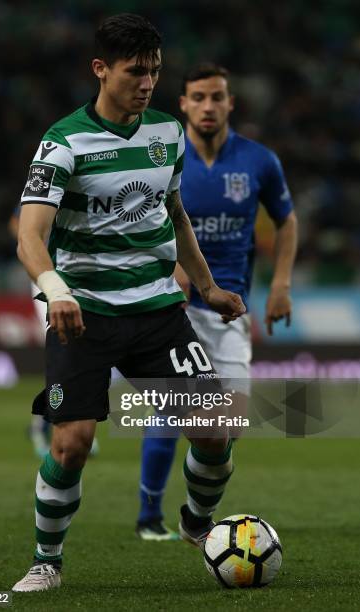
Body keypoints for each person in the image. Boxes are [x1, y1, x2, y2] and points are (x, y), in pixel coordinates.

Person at [11, 16, 245, 592]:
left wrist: (208, 287)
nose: (148, 83)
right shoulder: (64, 142)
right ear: (102, 70)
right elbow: (29, 237)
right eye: (136, 72)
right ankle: (47, 562)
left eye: (155, 72)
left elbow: (176, 215)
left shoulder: (167, 133)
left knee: (217, 431)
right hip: (84, 317)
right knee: (71, 444)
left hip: (158, 312)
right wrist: (57, 291)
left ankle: (196, 521)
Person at [136, 63, 297, 540]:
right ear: (183, 103)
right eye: (199, 97)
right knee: (171, 410)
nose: (209, 106)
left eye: (218, 97)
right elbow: (141, 224)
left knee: (226, 431)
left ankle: (193, 518)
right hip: (173, 308)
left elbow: (286, 221)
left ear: (231, 104)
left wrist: (282, 285)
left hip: (232, 310)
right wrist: (173, 270)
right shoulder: (161, 156)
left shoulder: (259, 161)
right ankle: (149, 516)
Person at [8, 211, 99, 459]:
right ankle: (44, 424)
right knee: (62, 351)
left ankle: (76, 418)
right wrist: (35, 242)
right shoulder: (49, 181)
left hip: (80, 276)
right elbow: (18, 223)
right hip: (47, 280)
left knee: (81, 354)